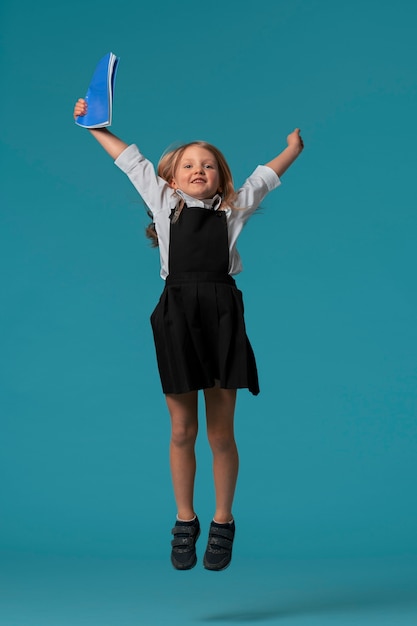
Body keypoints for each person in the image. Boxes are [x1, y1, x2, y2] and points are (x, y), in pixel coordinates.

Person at [73, 97, 304, 571]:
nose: (199, 169)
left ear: (221, 176)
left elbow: (266, 176)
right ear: (172, 179)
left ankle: (223, 521)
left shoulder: (232, 211)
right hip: (177, 315)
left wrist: (293, 147)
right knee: (183, 429)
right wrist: (91, 124)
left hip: (222, 316)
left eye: (208, 165)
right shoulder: (163, 203)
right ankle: (184, 520)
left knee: (221, 433)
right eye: (188, 165)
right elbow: (128, 160)